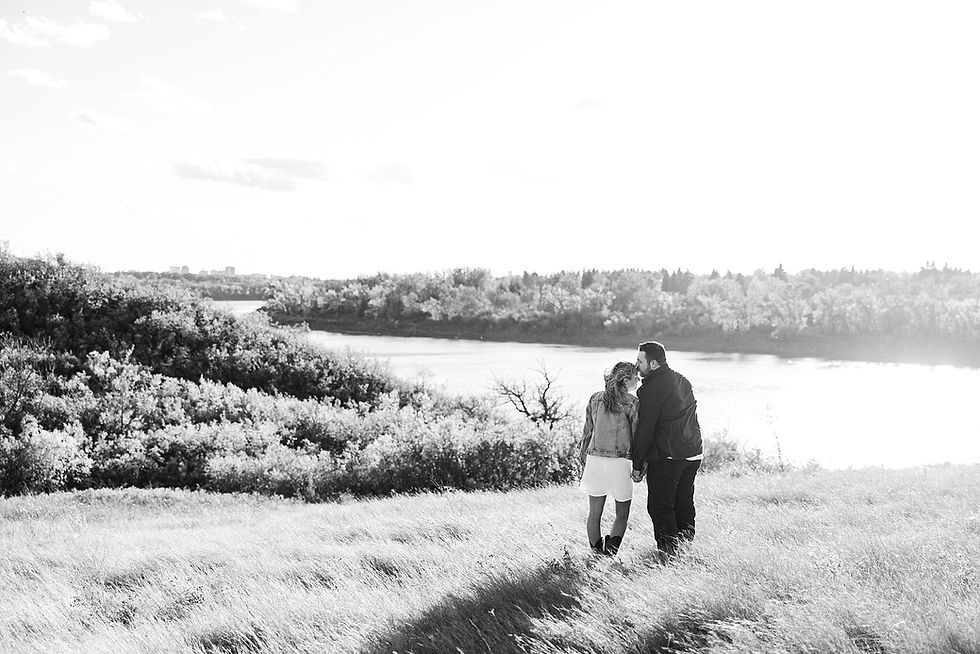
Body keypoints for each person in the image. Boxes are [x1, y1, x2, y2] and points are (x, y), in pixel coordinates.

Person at [631, 341, 703, 558]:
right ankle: (684, 549)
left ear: (653, 363)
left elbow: (646, 429)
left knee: (660, 506)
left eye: (640, 361)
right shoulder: (682, 380)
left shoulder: (650, 389)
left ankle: (669, 555)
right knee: (683, 503)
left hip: (668, 455)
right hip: (693, 453)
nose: (636, 365)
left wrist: (637, 464)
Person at [579, 361, 639, 556]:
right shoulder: (632, 402)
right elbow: (637, 436)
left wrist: (583, 458)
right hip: (619, 463)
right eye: (635, 377)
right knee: (622, 514)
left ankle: (597, 555)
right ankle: (609, 555)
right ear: (625, 380)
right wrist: (640, 465)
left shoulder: (594, 398)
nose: (638, 380)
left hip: (594, 460)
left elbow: (587, 431)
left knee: (594, 514)